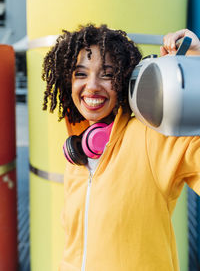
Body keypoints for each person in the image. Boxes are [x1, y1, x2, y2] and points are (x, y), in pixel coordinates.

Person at [42, 25, 200, 271]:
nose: (92, 86)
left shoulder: (153, 138)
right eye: (80, 74)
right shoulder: (79, 153)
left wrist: (196, 62)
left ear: (123, 79)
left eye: (106, 74)